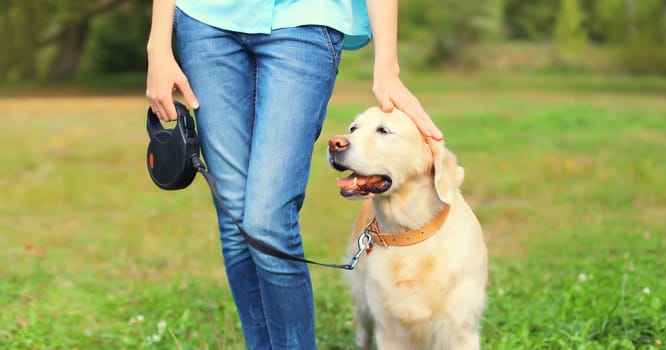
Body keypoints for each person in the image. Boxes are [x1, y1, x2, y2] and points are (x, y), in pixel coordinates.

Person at [145, 0, 443, 348]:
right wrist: (158, 46)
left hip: (305, 21)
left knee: (266, 222)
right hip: (205, 21)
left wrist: (387, 64)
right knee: (235, 222)